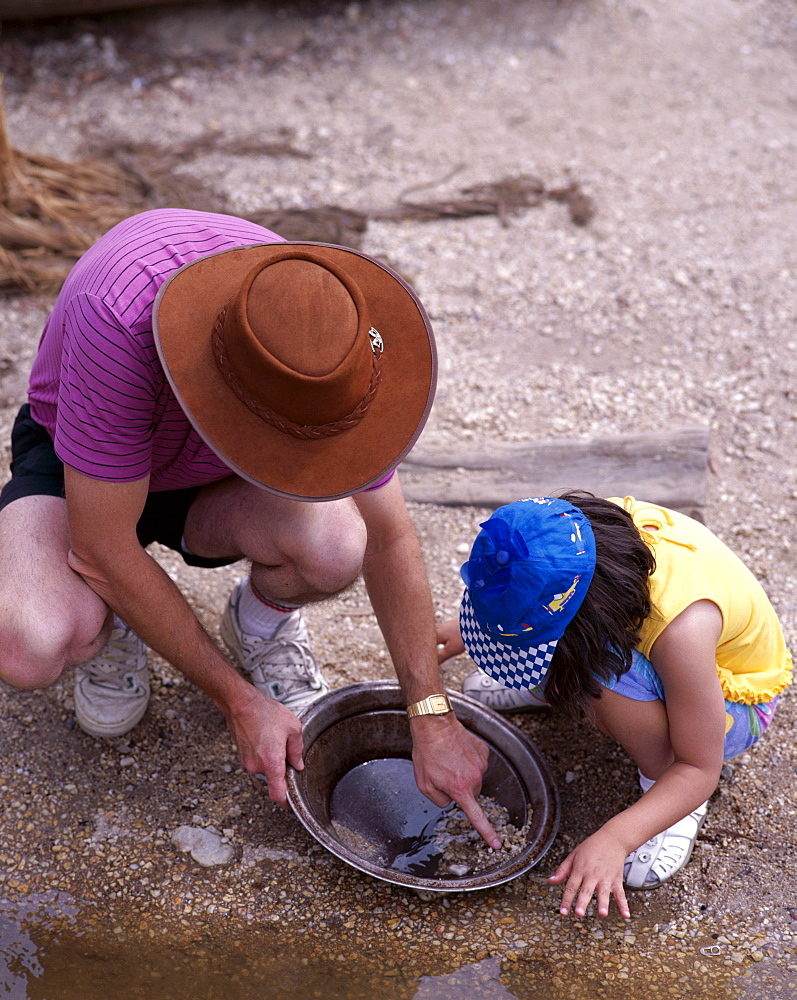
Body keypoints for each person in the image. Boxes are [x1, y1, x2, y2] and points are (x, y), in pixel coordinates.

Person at [0, 207, 500, 849]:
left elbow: (391, 536)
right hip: (83, 470)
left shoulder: (322, 326)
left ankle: (257, 623)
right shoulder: (118, 316)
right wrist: (238, 701)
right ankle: (108, 621)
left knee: (337, 544)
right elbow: (99, 546)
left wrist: (430, 714)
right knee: (31, 642)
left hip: (212, 475)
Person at [436, 492, 792, 918]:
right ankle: (547, 673)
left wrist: (616, 837)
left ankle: (666, 793)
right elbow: (529, 581)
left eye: (532, 644)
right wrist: (495, 623)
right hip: (627, 644)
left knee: (602, 674)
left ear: (597, 611)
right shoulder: (571, 533)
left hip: (730, 707)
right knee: (575, 650)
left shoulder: (682, 630)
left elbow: (701, 768)